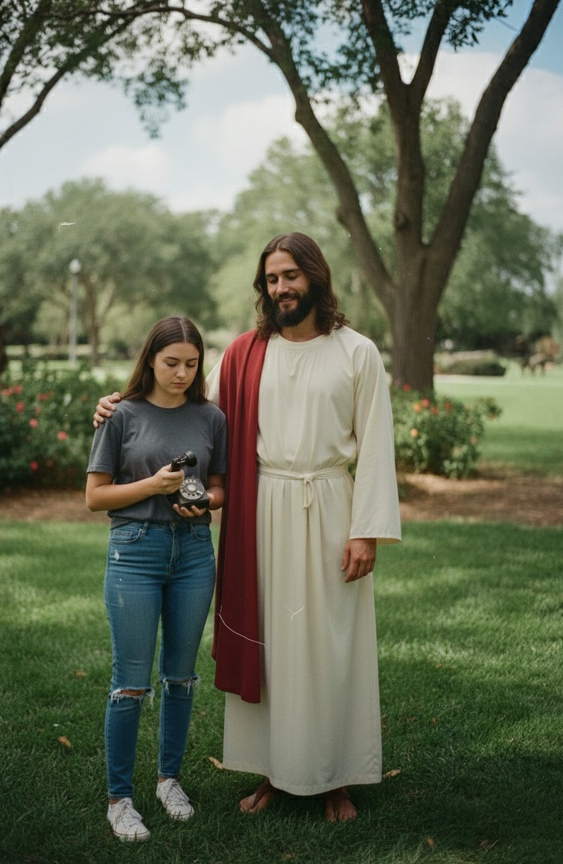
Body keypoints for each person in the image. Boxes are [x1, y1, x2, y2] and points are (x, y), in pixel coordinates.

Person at [95, 233, 400, 822]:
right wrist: (116, 405)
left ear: (315, 276)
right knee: (274, 645)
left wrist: (367, 530)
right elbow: (185, 408)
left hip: (333, 506)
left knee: (333, 644)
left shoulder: (356, 352)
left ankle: (334, 777)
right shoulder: (243, 353)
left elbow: (378, 445)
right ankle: (275, 774)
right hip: (261, 511)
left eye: (290, 275)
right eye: (271, 278)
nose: (280, 287)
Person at [85, 315, 227, 842]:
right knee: (130, 683)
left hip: (193, 552)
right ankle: (120, 800)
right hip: (136, 553)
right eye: (172, 363)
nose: (182, 373)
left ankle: (170, 780)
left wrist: (201, 504)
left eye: (192, 364)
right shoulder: (120, 414)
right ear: (150, 360)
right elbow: (95, 497)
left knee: (181, 677)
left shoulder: (211, 417)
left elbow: (220, 489)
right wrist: (153, 485)